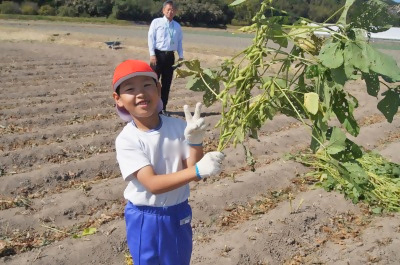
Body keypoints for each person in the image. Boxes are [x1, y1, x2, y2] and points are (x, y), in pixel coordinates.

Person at [112, 59, 224, 265]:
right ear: (118, 99)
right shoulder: (128, 139)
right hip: (146, 217)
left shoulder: (177, 126)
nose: (140, 93)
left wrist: (195, 142)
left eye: (147, 85)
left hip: (179, 211)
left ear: (159, 88)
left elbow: (193, 172)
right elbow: (153, 185)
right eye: (130, 89)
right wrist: (198, 170)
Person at [148, 0, 183, 116]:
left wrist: (181, 56)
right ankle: (150, 106)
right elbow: (151, 38)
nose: (170, 12)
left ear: (175, 11)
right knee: (153, 82)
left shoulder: (177, 26)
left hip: (170, 57)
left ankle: (162, 108)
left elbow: (179, 42)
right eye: (168, 9)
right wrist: (152, 54)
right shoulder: (156, 22)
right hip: (158, 55)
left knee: (167, 83)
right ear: (163, 10)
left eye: (172, 10)